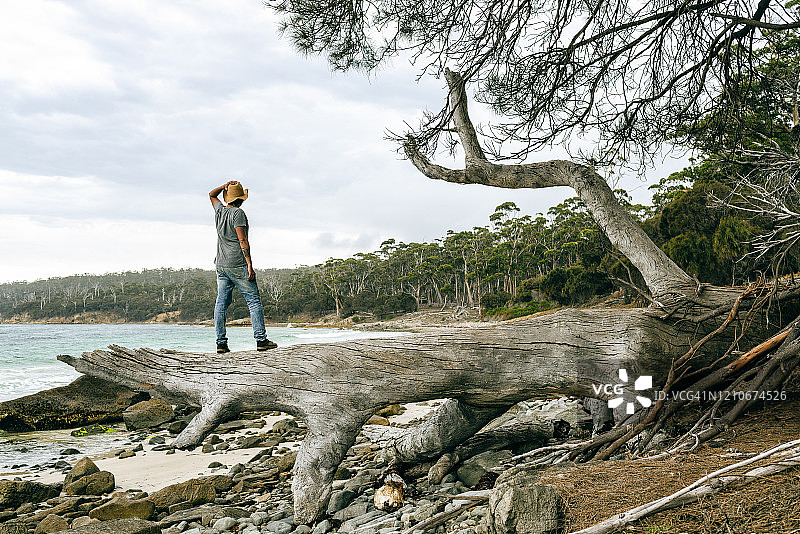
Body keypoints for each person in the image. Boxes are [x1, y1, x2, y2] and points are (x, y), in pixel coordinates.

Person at [209, 180, 277, 353]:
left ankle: (221, 343)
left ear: (228, 197)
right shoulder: (238, 213)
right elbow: (242, 240)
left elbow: (211, 194)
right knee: (253, 301)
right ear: (241, 199)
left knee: (221, 303)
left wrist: (223, 186)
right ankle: (261, 340)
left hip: (221, 265)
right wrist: (249, 265)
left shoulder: (219, 211)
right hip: (238, 264)